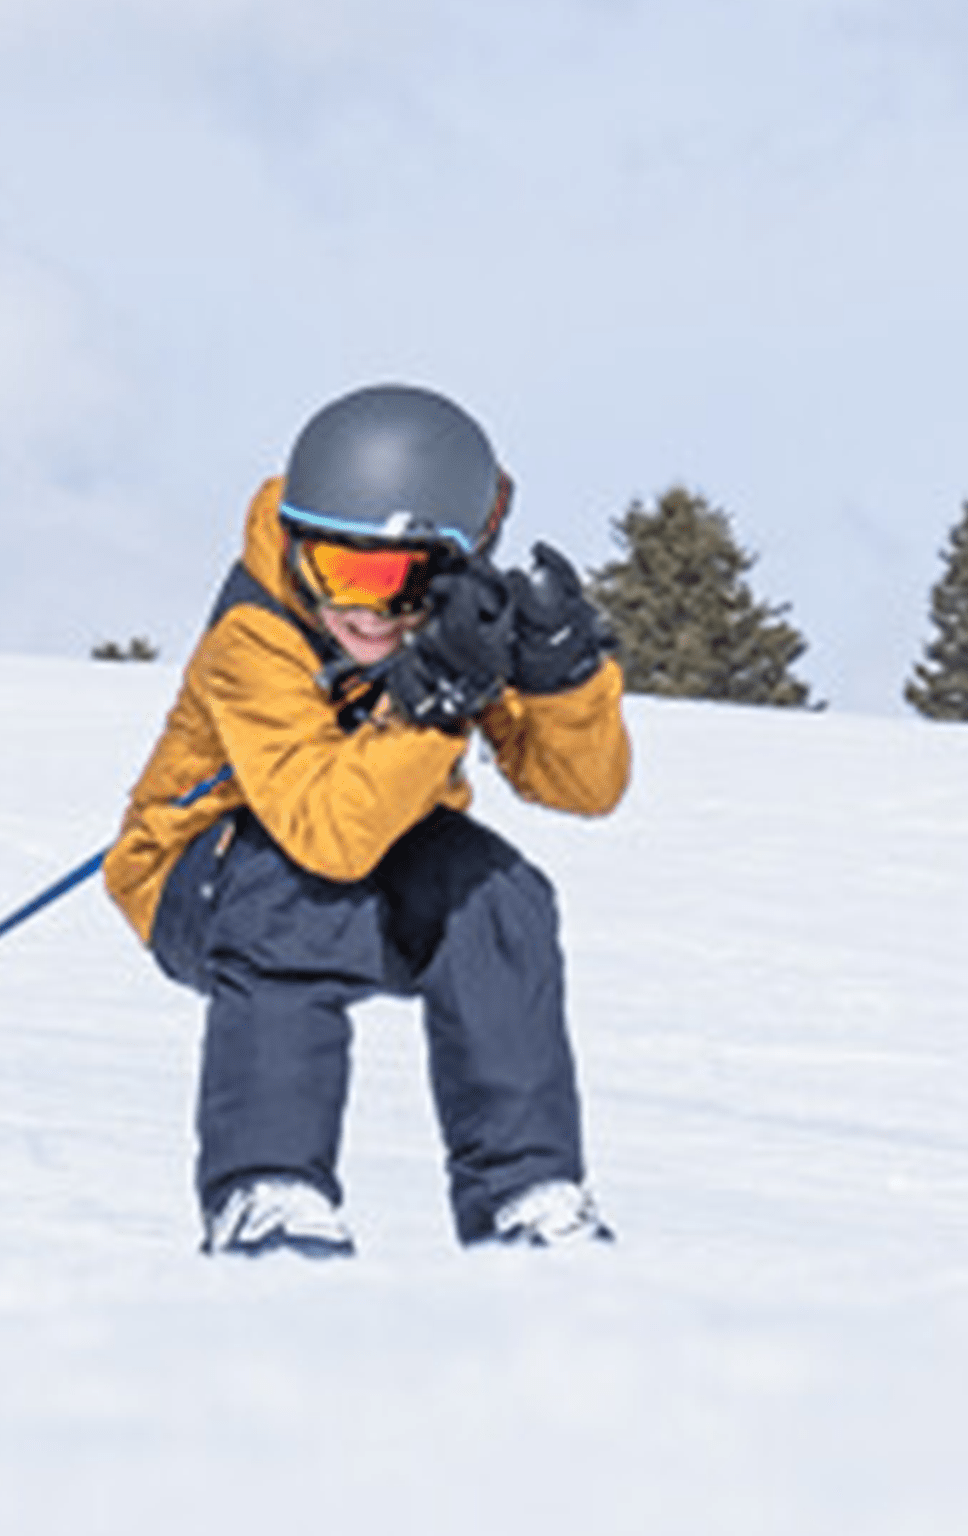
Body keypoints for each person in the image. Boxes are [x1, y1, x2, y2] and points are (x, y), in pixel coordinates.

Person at [100, 383, 634, 1257]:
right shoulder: (257, 633)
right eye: (334, 570)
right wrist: (430, 709)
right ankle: (268, 1189)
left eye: (393, 581)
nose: (358, 609)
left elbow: (583, 787)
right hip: (202, 875)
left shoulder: (456, 624)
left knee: (501, 895)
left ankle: (528, 1196)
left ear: (454, 567)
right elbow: (324, 830)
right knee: (291, 880)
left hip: (374, 849)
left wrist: (558, 677)